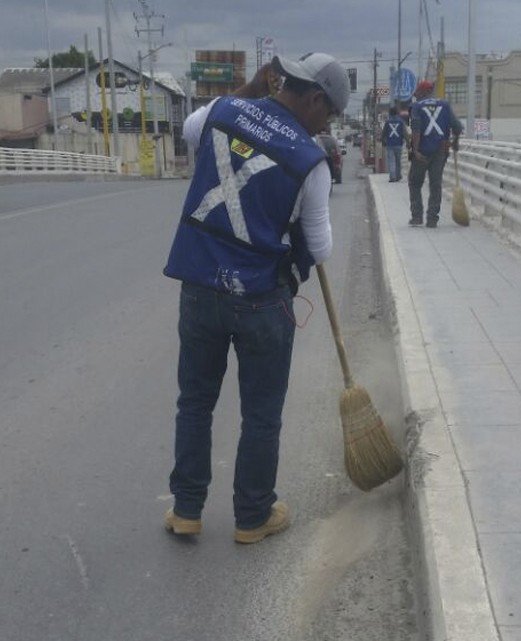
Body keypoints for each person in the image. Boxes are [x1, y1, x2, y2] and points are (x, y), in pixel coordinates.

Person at [162, 52, 349, 544]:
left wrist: (252, 87)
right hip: (263, 301)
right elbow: (322, 247)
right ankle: (252, 516)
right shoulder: (311, 161)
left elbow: (191, 132)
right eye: (327, 113)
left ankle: (186, 510)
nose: (324, 124)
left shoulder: (219, 113)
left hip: (200, 288)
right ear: (313, 99)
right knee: (261, 414)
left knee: (195, 402)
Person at [407, 80, 463, 228]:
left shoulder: (416, 107)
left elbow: (416, 130)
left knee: (414, 182)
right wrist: (455, 141)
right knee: (435, 184)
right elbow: (457, 127)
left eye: (417, 94)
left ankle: (417, 216)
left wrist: (416, 150)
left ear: (422, 93)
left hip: (422, 152)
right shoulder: (445, 105)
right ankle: (432, 218)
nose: (416, 97)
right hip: (440, 151)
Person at [382, 106, 406, 182]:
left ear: (390, 113)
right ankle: (398, 175)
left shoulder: (387, 122)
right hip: (399, 144)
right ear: (397, 113)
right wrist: (408, 142)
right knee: (398, 161)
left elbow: (384, 133)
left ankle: (392, 177)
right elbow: (405, 133)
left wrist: (383, 141)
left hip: (390, 144)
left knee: (391, 161)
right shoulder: (401, 121)